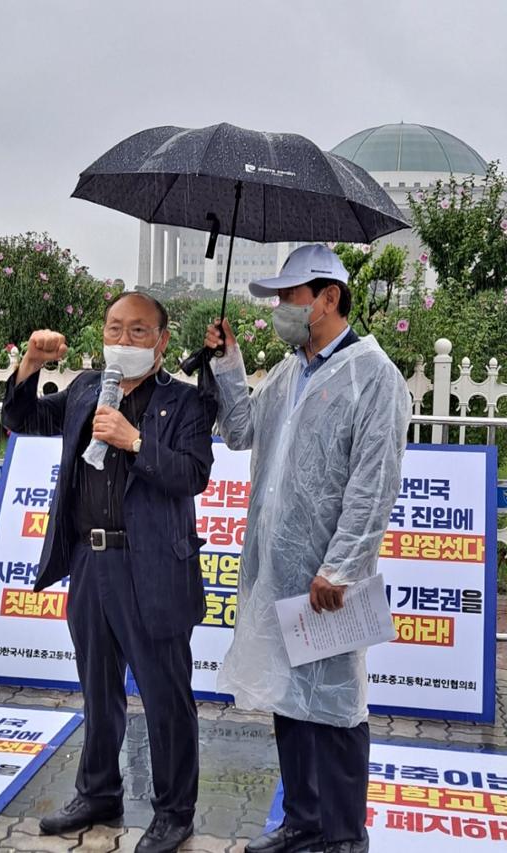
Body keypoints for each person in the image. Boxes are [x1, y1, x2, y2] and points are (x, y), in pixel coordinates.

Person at [204, 244, 412, 853]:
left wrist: (342, 566)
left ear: (327, 298)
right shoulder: (292, 371)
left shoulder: (374, 376)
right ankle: (302, 822)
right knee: (287, 696)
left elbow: (373, 484)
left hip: (329, 575)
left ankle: (345, 836)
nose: (280, 309)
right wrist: (228, 363)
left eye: (289, 297)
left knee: (337, 706)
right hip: (276, 567)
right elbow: (241, 431)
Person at [3, 292, 216, 853]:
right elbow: (21, 417)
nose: (123, 341)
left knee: (166, 697)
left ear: (163, 342)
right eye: (115, 329)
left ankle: (175, 811)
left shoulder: (185, 403)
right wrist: (30, 365)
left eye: (138, 332)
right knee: (98, 689)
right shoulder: (83, 389)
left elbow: (194, 474)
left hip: (153, 570)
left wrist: (135, 440)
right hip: (90, 562)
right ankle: (98, 792)